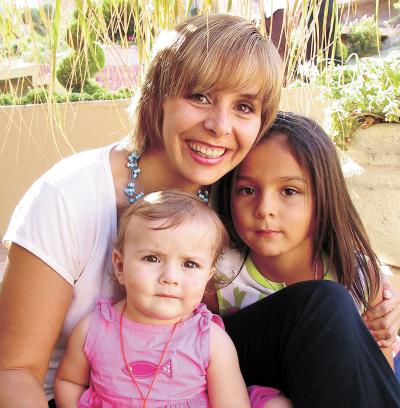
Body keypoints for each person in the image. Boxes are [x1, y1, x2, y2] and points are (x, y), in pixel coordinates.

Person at [0, 13, 399, 408]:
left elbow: (308, 239)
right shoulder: (69, 195)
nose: (219, 125)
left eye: (244, 107)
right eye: (200, 96)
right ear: (157, 95)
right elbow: (14, 372)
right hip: (87, 392)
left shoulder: (232, 189)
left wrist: (372, 286)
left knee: (324, 307)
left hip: (195, 375)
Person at [55, 190, 270, 407]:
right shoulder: (93, 329)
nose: (170, 277)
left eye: (189, 264)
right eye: (152, 258)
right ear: (120, 266)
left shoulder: (211, 341)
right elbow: (69, 381)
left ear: (207, 277)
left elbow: (231, 403)